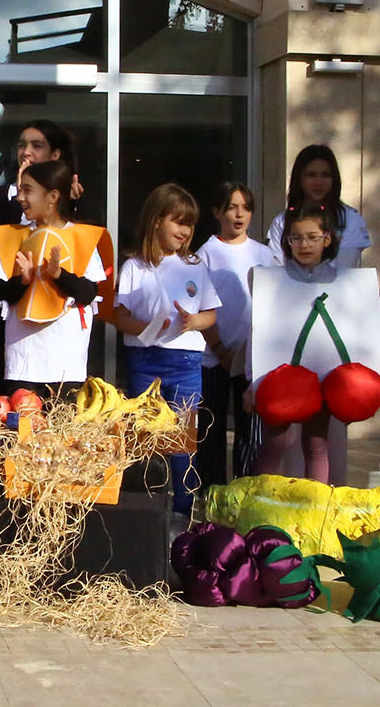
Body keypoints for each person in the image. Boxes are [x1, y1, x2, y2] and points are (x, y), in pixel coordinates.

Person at [111, 183, 220, 514]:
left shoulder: (195, 266)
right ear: (157, 220)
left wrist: (192, 322)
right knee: (145, 436)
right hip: (145, 359)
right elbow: (118, 315)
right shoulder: (135, 266)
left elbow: (211, 314)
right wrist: (146, 327)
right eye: (178, 221)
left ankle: (184, 508)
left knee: (184, 437)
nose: (185, 230)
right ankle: (148, 506)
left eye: (189, 224)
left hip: (186, 361)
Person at [0, 159, 106, 402]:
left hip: (66, 364)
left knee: (61, 438)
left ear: (52, 196)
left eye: (28, 190)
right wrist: (24, 281)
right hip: (23, 362)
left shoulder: (80, 236)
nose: (20, 197)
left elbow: (88, 292)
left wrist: (59, 274)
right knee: (22, 435)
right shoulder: (16, 235)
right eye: (20, 190)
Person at [250, 206, 339, 482]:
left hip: (322, 374)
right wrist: (253, 384)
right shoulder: (271, 280)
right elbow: (257, 333)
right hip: (280, 378)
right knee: (275, 445)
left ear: (327, 239)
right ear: (286, 241)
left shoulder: (342, 281)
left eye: (312, 237)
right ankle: (264, 511)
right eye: (296, 238)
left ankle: (316, 509)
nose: (304, 244)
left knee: (316, 445)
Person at [195, 180, 273, 486]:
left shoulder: (266, 255)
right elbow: (199, 304)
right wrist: (219, 348)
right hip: (213, 357)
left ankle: (245, 491)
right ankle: (210, 494)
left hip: (251, 359)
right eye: (231, 207)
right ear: (217, 212)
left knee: (249, 433)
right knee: (210, 430)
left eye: (246, 208)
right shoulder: (206, 254)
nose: (239, 215)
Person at [267, 145, 372, 268]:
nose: (319, 182)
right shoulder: (282, 221)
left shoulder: (350, 218)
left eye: (325, 175)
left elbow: (345, 270)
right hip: (292, 286)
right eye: (311, 175)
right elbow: (276, 269)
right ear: (299, 178)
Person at [0, 120, 85, 230]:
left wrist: (71, 202)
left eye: (37, 146)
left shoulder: (70, 194)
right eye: (21, 145)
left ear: (55, 154)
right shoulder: (4, 196)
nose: (26, 152)